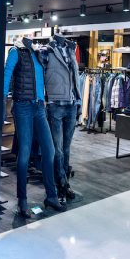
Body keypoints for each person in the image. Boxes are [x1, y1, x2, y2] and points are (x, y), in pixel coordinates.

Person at [4, 38, 66, 218]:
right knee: (24, 152)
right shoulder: (15, 51)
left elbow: (41, 80)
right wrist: (1, 104)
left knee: (50, 150)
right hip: (23, 106)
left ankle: (51, 196)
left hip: (39, 107)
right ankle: (22, 201)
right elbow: (6, 76)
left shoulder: (37, 53)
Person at [40, 35, 81, 201]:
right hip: (55, 104)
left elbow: (75, 78)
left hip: (71, 104)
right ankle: (61, 185)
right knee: (57, 150)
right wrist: (44, 99)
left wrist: (79, 101)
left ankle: (65, 183)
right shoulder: (46, 51)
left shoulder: (71, 49)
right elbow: (41, 76)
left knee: (66, 149)